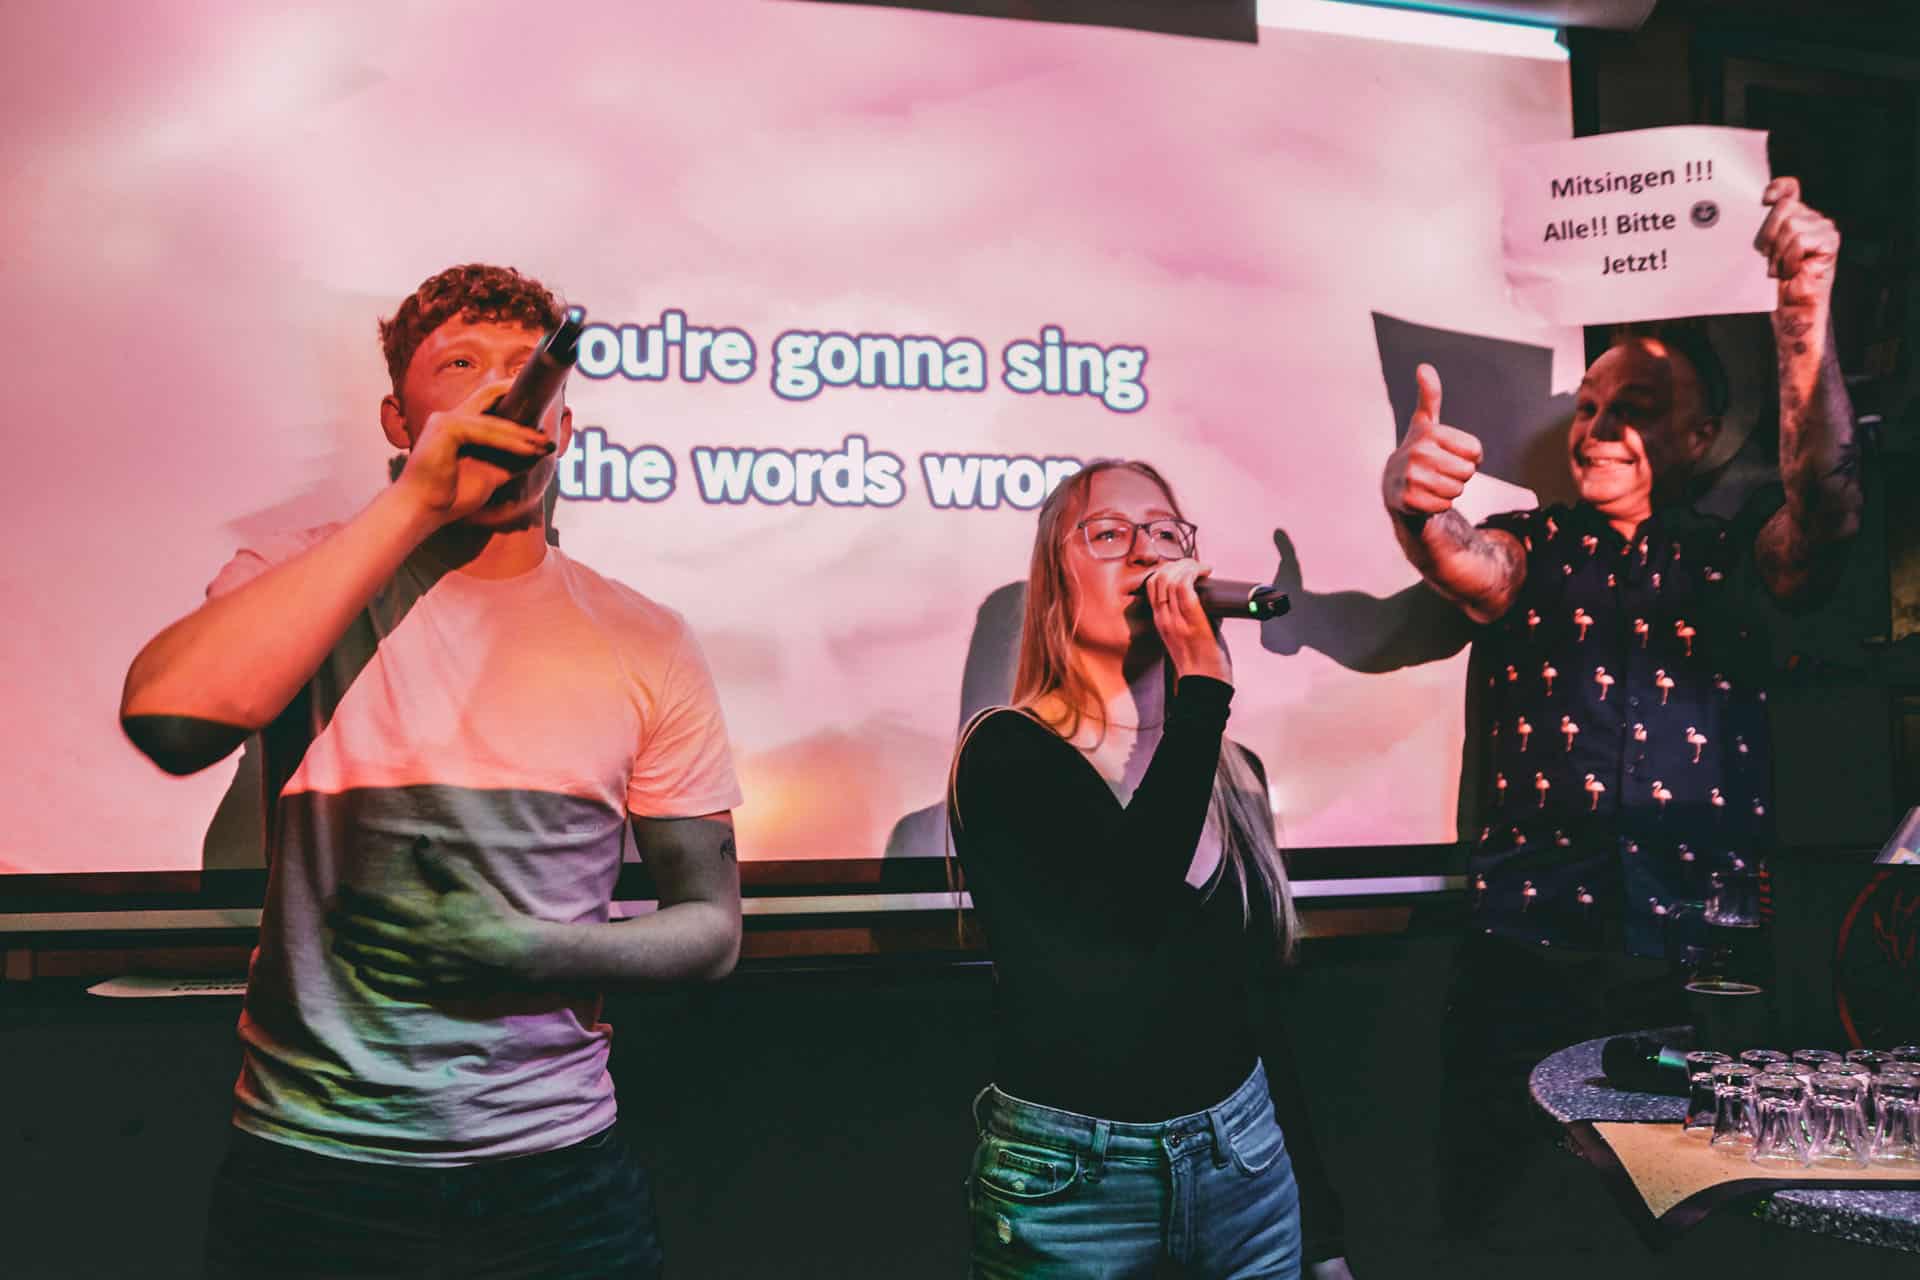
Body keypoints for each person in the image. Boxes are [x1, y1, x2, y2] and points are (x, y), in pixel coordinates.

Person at [120, 264, 744, 1279]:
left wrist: (528, 947)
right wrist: (419, 497)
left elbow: (711, 928)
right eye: (462, 367)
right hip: (316, 1168)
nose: (504, 390)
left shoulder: (645, 636)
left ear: (564, 425)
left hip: (558, 1173)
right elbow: (169, 720)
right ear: (398, 418)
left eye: (524, 369)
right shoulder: (300, 577)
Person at [1380, 178, 1861, 1250]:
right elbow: (1463, 559)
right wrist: (1414, 505)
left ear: (1697, 437)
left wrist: (1802, 330)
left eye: (1635, 408)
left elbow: (1825, 510)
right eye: (1589, 404)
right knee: (1504, 1241)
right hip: (1524, 967)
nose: (1598, 426)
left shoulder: (1729, 556)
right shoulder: (1533, 543)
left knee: (1691, 1245)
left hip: (1701, 978)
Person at [949, 458, 1341, 1279]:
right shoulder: (1008, 753)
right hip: (1074, 1195)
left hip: (1246, 1169)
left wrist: (1324, 1234)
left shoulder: (1233, 773)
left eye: (1164, 532)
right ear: (1055, 575)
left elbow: (1254, 1011)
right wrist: (1202, 694)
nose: (1145, 554)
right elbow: (1126, 918)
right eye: (1108, 534)